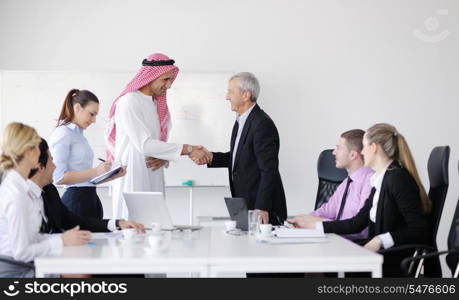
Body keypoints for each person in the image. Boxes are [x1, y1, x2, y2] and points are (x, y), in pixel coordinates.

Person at [289, 123, 431, 277]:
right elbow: (357, 223)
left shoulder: (398, 179)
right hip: (381, 255)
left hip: (391, 259)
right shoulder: (381, 180)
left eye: (363, 147)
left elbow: (419, 230)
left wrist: (380, 240)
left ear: (374, 148)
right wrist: (316, 226)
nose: (362, 152)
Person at [106, 53, 209, 219]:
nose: (168, 85)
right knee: (134, 226)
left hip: (153, 170)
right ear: (151, 77)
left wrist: (164, 158)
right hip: (134, 172)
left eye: (170, 80)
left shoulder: (154, 102)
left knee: (155, 227)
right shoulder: (130, 101)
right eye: (165, 80)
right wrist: (189, 149)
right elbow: (144, 144)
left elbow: (156, 142)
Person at [193, 72, 287, 225]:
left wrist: (262, 207)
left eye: (230, 92)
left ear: (245, 95)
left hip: (261, 209)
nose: (226, 97)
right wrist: (211, 157)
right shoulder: (241, 121)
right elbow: (240, 157)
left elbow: (269, 169)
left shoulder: (262, 124)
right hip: (244, 202)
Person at [0, 122, 91, 278]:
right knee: (80, 275)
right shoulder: (16, 195)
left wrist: (64, 239)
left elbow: (32, 237)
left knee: (80, 267)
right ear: (28, 151)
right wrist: (61, 240)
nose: (40, 151)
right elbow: (22, 252)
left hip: (25, 262)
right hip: (15, 269)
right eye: (36, 146)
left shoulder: (24, 188)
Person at [29, 138, 144, 234]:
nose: (55, 167)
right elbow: (24, 248)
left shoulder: (49, 191)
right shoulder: (21, 197)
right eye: (51, 162)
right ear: (40, 167)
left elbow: (76, 222)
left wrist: (118, 223)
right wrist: (61, 240)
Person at [50, 89, 126, 219]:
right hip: (76, 202)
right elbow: (58, 177)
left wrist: (111, 175)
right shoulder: (63, 133)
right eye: (92, 114)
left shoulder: (79, 135)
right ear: (78, 108)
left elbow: (85, 179)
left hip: (90, 199)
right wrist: (96, 171)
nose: (94, 120)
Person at [290, 129, 374, 241]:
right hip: (337, 241)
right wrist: (303, 219)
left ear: (353, 155)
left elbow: (362, 229)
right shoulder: (347, 182)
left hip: (356, 246)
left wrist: (317, 223)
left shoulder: (370, 181)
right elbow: (327, 210)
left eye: (338, 148)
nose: (334, 152)